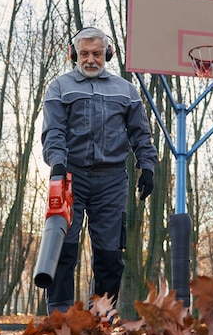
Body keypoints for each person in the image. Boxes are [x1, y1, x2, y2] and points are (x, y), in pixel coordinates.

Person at [41, 27, 158, 314]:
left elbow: (141, 133)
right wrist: (57, 162)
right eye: (84, 54)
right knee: (63, 246)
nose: (90, 59)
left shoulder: (125, 91)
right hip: (70, 176)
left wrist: (147, 166)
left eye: (96, 53)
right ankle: (60, 314)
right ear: (74, 55)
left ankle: (102, 315)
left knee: (109, 254)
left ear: (107, 54)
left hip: (112, 180)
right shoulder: (60, 87)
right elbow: (54, 131)